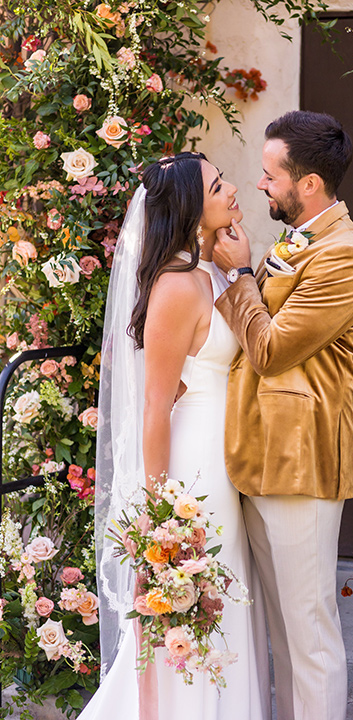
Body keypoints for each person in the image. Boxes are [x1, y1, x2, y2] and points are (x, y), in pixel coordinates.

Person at [80, 152, 271, 720]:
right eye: (218, 184)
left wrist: (241, 267)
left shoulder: (210, 271)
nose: (233, 187)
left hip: (225, 462)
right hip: (191, 473)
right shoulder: (175, 287)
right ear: (192, 205)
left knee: (226, 596)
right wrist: (160, 510)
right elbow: (157, 405)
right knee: (193, 599)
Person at [213, 110, 353, 720]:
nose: (259, 184)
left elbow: (272, 349)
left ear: (307, 184)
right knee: (280, 629)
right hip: (258, 455)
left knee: (309, 634)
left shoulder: (346, 256)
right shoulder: (297, 238)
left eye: (268, 174)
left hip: (304, 460)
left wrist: (237, 274)